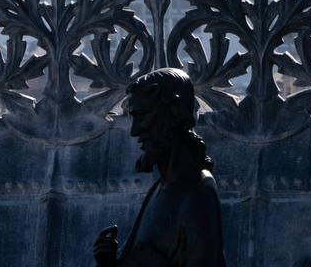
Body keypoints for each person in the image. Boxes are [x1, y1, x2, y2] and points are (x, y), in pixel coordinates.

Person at [93, 68, 226, 267]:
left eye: (142, 116)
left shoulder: (199, 190)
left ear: (174, 112)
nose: (134, 131)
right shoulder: (160, 187)